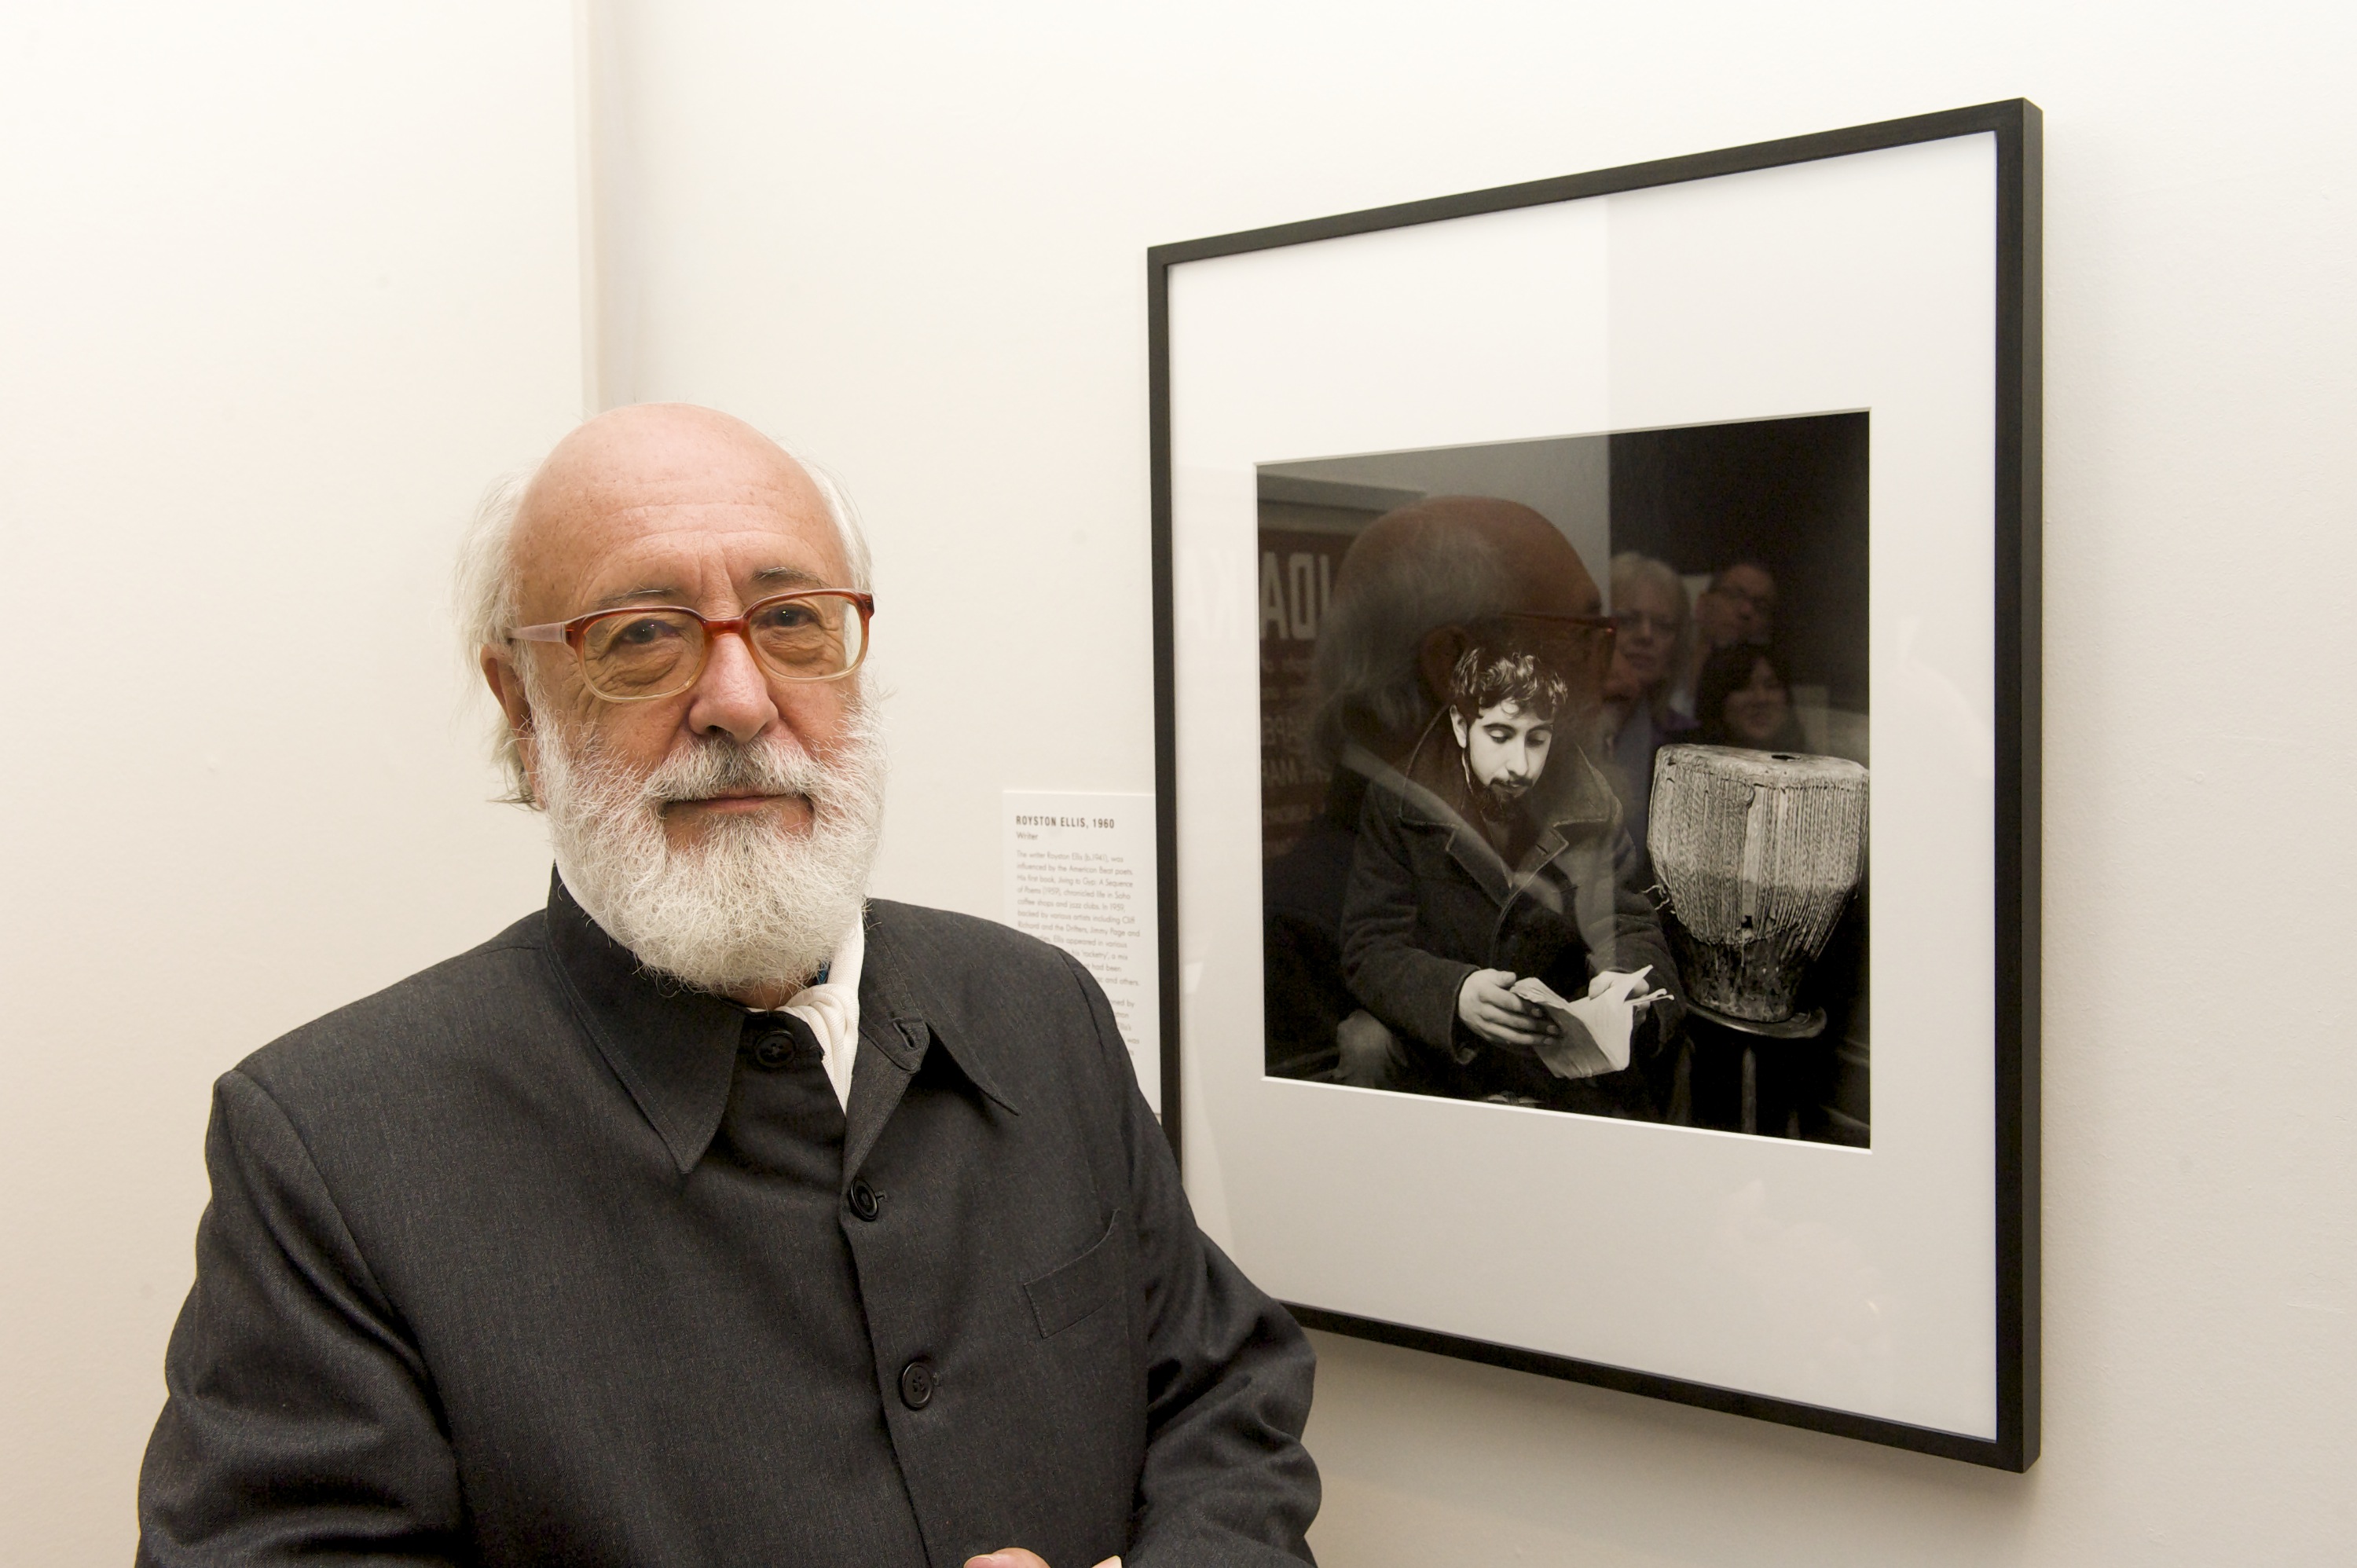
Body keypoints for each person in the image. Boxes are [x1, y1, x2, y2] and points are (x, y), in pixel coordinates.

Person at [137, 405, 1318, 1568]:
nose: (741, 702)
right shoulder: (335, 1150)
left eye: (793, 619)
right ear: (522, 707)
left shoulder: (1036, 1005)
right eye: (642, 635)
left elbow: (1222, 1403)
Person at [1258, 496, 1618, 1083]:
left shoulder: (1540, 853)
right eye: (1582, 637)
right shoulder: (1295, 940)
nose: (1616, 678)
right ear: (1456, 666)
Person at [1332, 640, 1684, 1119]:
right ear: (1461, 725)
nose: (1520, 764)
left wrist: (1627, 988)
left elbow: (1628, 924)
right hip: (1438, 1053)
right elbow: (1369, 946)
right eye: (1499, 735)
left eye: (1537, 739)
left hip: (1550, 1056)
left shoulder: (1591, 806)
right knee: (1365, 1043)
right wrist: (1454, 995)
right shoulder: (1398, 803)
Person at [1598, 551, 1698, 879]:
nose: (1645, 635)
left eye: (1663, 625)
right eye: (1627, 620)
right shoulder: (1551, 731)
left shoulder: (1691, 743)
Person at [1673, 559, 1776, 716]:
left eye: (1760, 606)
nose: (1746, 611)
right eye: (1734, 595)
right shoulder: (1661, 664)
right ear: (1702, 605)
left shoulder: (1762, 697)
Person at [1692, 640, 1809, 753]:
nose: (1761, 698)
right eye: (1744, 686)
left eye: (1772, 686)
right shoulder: (1687, 761)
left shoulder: (1806, 764)